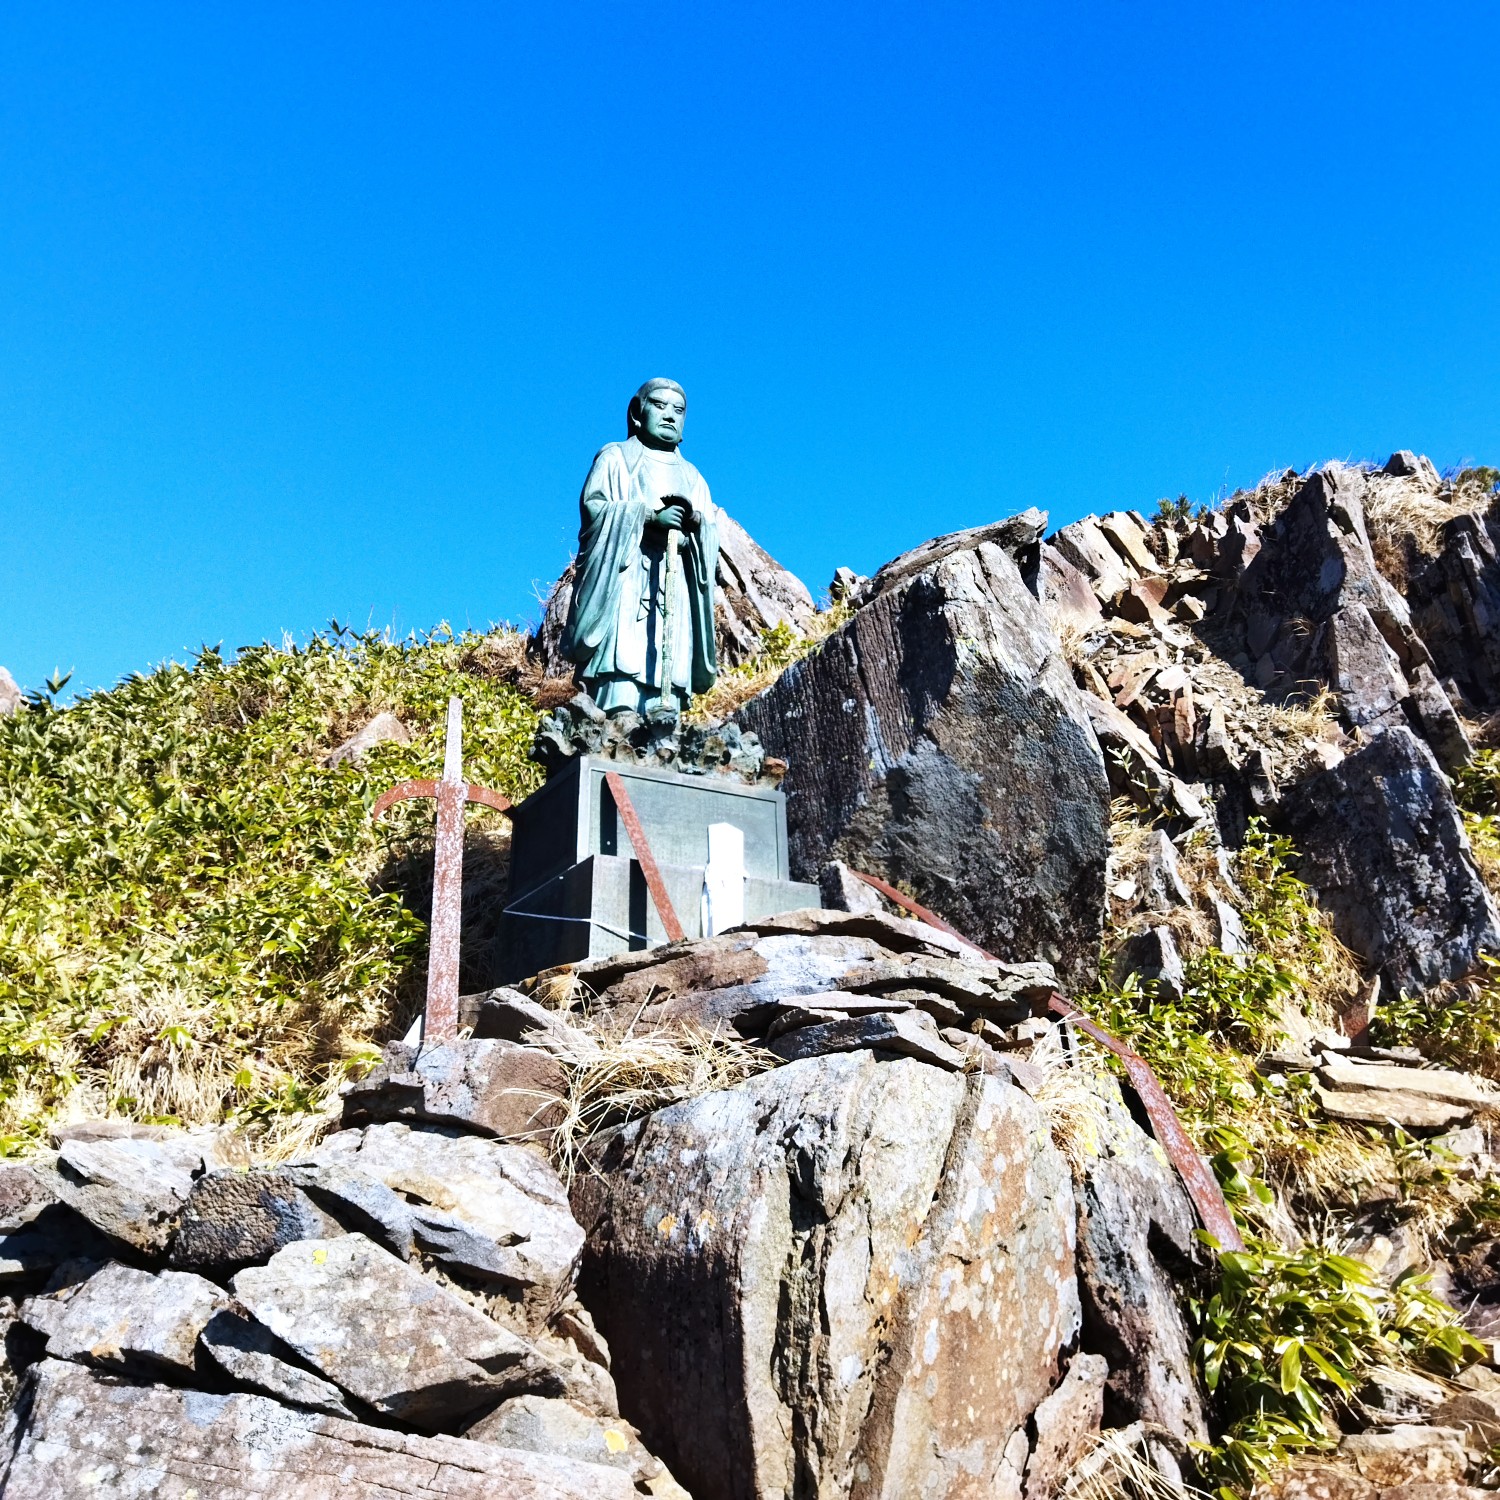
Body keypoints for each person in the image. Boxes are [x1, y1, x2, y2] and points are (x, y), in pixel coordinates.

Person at [560, 379, 720, 714]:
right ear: (637, 412)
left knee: (670, 660)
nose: (669, 416)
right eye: (659, 406)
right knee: (622, 663)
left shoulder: (693, 477)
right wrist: (647, 517)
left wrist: (696, 524)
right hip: (627, 577)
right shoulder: (615, 458)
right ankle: (618, 714)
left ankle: (667, 720)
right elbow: (595, 507)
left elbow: (710, 535)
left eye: (678, 411)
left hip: (673, 584)